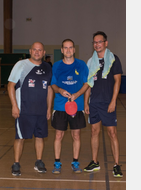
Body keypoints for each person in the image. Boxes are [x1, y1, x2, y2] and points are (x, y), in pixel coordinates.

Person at [7, 42, 53, 176]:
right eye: (34, 50)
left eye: (40, 50)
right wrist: (15, 106)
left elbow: (49, 88)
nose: (37, 52)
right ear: (30, 51)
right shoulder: (21, 65)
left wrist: (49, 108)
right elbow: (11, 86)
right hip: (24, 110)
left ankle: (39, 162)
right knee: (20, 137)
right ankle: (16, 163)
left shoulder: (47, 67)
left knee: (40, 137)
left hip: (41, 111)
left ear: (44, 53)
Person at [83, 31, 123, 177]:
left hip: (108, 102)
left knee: (112, 133)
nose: (97, 44)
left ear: (105, 43)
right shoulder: (90, 62)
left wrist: (113, 101)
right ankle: (94, 162)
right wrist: (86, 102)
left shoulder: (113, 59)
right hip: (94, 103)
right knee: (94, 132)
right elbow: (88, 83)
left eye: (100, 41)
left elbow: (118, 81)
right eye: (94, 42)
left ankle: (117, 165)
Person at [51, 39, 89, 174]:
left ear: (74, 50)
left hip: (76, 107)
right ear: (62, 50)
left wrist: (77, 95)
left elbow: (86, 84)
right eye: (65, 48)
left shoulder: (81, 65)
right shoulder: (56, 66)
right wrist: (60, 90)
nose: (68, 50)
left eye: (70, 48)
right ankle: (57, 163)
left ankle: (75, 162)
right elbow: (53, 85)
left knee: (76, 135)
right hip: (60, 106)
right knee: (58, 135)